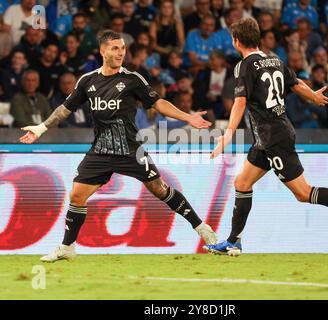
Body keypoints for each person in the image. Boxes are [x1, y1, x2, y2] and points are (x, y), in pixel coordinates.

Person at [19, 30, 217, 262]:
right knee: (76, 195)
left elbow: (158, 102)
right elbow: (65, 108)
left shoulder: (132, 79)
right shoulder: (87, 81)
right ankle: (67, 247)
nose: (120, 52)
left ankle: (203, 230)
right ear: (102, 51)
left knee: (160, 189)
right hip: (101, 150)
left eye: (122, 48)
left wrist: (189, 118)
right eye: (115, 48)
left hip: (130, 149)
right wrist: (41, 128)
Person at [204, 18, 328, 256]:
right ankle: (234, 241)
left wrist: (228, 135)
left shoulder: (243, 66)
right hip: (268, 137)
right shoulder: (275, 59)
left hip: (274, 137)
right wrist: (313, 97)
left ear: (236, 41)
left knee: (303, 193)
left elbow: (240, 101)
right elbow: (295, 83)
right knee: (242, 183)